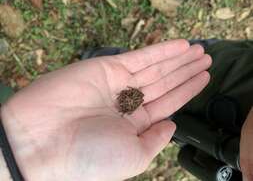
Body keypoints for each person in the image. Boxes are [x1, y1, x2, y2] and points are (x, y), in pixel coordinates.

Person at [0, 39, 251, 181]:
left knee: (183, 135)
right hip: (239, 86)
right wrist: (16, 153)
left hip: (226, 167)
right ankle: (110, 55)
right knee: (199, 69)